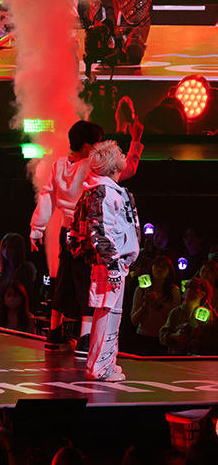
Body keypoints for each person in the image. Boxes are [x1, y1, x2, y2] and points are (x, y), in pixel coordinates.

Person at [30, 120, 143, 356]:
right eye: (97, 143)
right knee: (87, 282)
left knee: (64, 280)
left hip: (66, 232)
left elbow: (47, 195)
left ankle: (54, 331)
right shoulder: (91, 168)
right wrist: (135, 141)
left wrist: (37, 228)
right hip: (87, 233)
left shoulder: (60, 164)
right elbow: (126, 170)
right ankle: (85, 337)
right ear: (87, 146)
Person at [68, 141, 140, 381]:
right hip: (109, 264)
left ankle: (105, 364)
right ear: (112, 166)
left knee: (111, 315)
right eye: (119, 153)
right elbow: (100, 231)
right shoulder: (104, 192)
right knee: (106, 315)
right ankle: (99, 367)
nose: (123, 155)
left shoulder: (108, 190)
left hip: (114, 262)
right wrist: (112, 265)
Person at [129, 255, 181, 355]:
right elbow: (134, 320)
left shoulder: (173, 291)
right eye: (157, 265)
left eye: (164, 267)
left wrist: (158, 305)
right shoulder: (141, 290)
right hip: (142, 336)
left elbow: (173, 320)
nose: (159, 269)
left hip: (162, 339)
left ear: (169, 271)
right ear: (152, 268)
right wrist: (146, 304)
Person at [159, 278, 216, 355]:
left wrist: (203, 335)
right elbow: (162, 334)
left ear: (201, 294)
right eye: (186, 286)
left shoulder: (211, 314)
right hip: (178, 358)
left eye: (190, 287)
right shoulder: (176, 312)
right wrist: (175, 336)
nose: (185, 288)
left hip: (201, 359)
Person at [0, 233, 37, 309]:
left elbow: (21, 293)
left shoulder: (24, 269)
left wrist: (1, 285)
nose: (6, 249)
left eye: (10, 247)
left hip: (19, 309)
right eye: (4, 246)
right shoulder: (4, 269)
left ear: (17, 249)